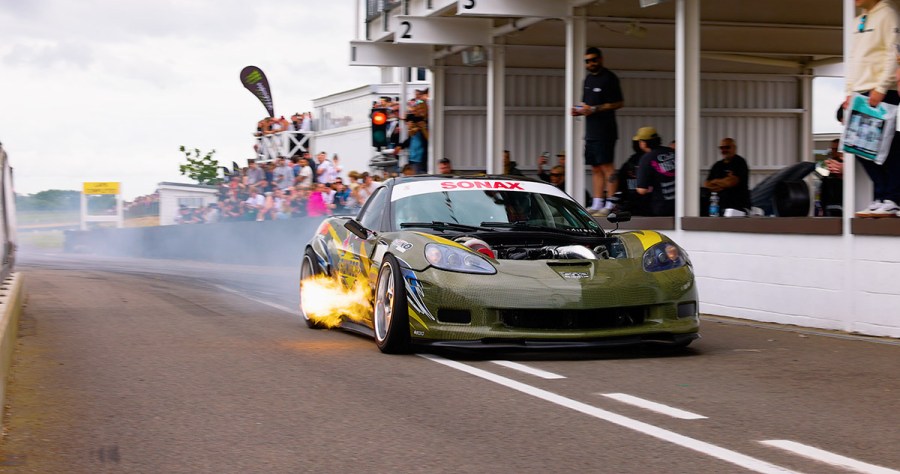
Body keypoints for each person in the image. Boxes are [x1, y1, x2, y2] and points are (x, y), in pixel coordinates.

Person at [845, 0, 900, 217]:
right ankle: (881, 195)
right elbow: (853, 58)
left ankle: (893, 198)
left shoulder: (888, 13)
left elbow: (892, 53)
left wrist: (882, 87)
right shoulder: (858, 20)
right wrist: (849, 91)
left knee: (887, 146)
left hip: (880, 91)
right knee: (858, 147)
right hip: (859, 92)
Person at [571, 46, 625, 217]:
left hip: (605, 130)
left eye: (594, 60)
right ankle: (596, 203)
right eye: (587, 61)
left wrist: (594, 109)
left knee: (607, 166)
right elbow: (586, 104)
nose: (591, 63)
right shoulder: (587, 80)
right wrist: (578, 110)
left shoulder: (609, 78)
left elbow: (618, 103)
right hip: (591, 131)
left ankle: (611, 203)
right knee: (595, 167)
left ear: (600, 59)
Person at [634, 127, 676, 217]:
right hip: (680, 205)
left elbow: (642, 190)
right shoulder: (671, 152)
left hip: (661, 207)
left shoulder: (646, 159)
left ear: (643, 143)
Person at [703, 137, 751, 212]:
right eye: (721, 148)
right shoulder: (717, 165)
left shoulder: (740, 162)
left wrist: (715, 182)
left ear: (734, 148)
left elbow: (730, 182)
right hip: (718, 208)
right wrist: (723, 182)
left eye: (727, 147)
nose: (724, 150)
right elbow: (707, 184)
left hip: (738, 208)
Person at [616, 139, 653, 216]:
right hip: (649, 206)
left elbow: (619, 185)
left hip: (631, 206)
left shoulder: (628, 163)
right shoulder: (651, 160)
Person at [819, 138, 844, 216]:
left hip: (844, 204)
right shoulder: (827, 166)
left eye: (836, 149)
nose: (834, 152)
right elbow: (823, 188)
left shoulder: (848, 167)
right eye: (832, 149)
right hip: (829, 204)